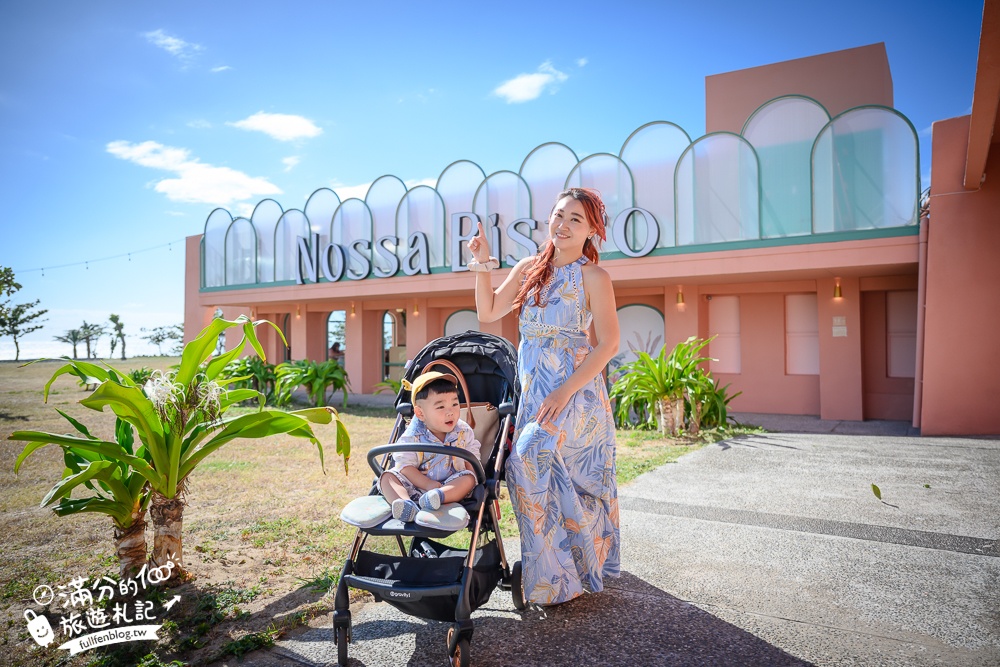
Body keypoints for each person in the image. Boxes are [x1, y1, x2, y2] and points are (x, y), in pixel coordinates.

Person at [468, 187, 620, 606]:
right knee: (538, 478)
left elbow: (607, 343)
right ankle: (554, 577)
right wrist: (482, 262)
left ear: (592, 230)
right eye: (559, 215)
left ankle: (569, 568)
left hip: (575, 395)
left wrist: (564, 391)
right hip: (533, 391)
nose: (564, 224)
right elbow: (488, 312)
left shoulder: (594, 277)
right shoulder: (530, 268)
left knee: (543, 466)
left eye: (576, 218)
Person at [378, 371, 481, 522]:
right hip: (414, 486)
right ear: (420, 413)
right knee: (387, 477)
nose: (450, 412)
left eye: (455, 404)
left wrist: (473, 476)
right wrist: (427, 484)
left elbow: (473, 456)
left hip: (448, 486)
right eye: (440, 407)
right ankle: (404, 504)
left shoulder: (463, 431)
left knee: (468, 478)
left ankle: (438, 497)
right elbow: (405, 466)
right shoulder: (413, 436)